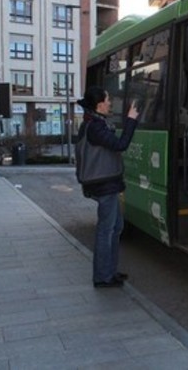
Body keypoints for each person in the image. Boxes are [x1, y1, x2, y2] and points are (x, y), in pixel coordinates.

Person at [76, 86, 139, 288]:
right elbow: (121, 144)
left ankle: (109, 272)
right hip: (104, 185)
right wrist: (131, 119)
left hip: (107, 183)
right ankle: (103, 276)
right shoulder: (95, 126)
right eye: (108, 99)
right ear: (99, 104)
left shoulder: (95, 122)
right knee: (106, 229)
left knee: (116, 227)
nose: (110, 102)